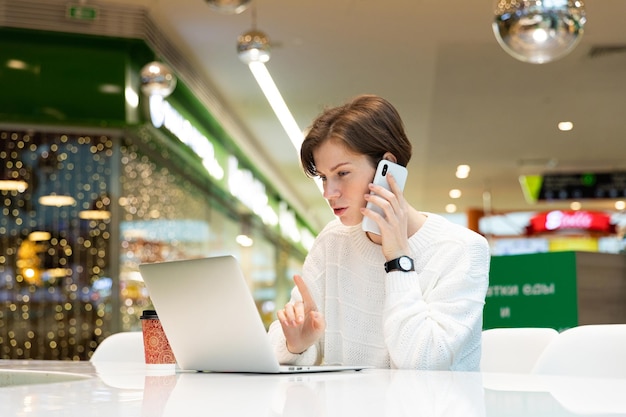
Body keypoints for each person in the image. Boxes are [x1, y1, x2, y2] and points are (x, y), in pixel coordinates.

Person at [267, 94, 490, 370]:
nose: (328, 192)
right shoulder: (332, 240)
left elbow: (423, 363)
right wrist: (297, 344)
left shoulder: (462, 249)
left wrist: (397, 259)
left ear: (388, 167)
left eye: (342, 173)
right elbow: (283, 338)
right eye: (324, 177)